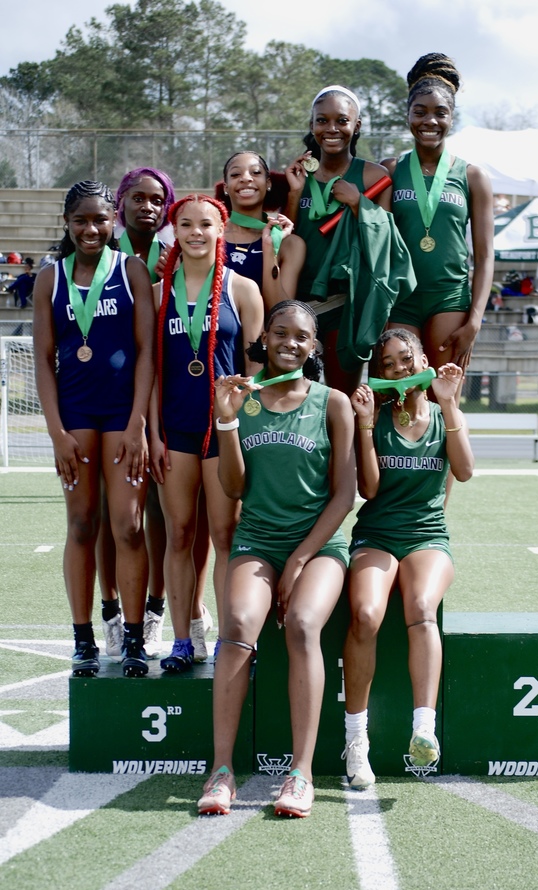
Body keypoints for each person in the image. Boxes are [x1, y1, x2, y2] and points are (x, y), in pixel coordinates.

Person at [197, 300, 355, 818]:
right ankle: (222, 770)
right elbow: (233, 485)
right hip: (259, 538)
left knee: (304, 624)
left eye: (302, 337)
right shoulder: (241, 398)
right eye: (280, 333)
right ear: (264, 338)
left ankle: (300, 772)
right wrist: (225, 422)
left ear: (314, 347)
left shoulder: (332, 402)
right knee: (239, 621)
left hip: (318, 545)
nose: (290, 343)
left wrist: (302, 558)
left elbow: (344, 494)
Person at [32, 180, 155, 678]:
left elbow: (147, 351)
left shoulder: (131, 272)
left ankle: (133, 638)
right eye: (81, 220)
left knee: (128, 525)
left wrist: (139, 424)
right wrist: (56, 432)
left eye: (100, 220)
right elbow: (43, 361)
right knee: (82, 523)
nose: (91, 229)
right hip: (76, 417)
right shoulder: (50, 278)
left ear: (114, 223)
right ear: (67, 222)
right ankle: (83, 639)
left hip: (124, 416)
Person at [341, 328, 474, 788]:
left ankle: (423, 728)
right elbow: (369, 490)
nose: (399, 369)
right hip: (377, 533)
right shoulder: (375, 417)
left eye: (406, 359)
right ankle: (356, 741)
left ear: (423, 361)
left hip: (426, 535)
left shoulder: (443, 413)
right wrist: (362, 422)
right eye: (388, 364)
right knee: (366, 614)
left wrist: (451, 403)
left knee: (420, 609)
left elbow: (465, 470)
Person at [149, 194, 263, 672]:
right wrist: (151, 434)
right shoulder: (158, 294)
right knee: (178, 534)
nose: (196, 233)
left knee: (224, 533)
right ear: (174, 232)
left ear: (222, 230)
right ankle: (181, 641)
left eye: (207, 225)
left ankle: (226, 641)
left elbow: (256, 367)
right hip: (174, 430)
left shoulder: (242, 289)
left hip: (224, 430)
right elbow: (150, 373)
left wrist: (245, 427)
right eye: (187, 225)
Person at [97, 167, 180, 660]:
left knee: (160, 516)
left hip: (163, 392)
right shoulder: (99, 251)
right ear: (121, 203)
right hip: (109, 396)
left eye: (157, 199)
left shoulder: (176, 252)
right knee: (115, 517)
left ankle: (154, 611)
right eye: (137, 198)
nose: (147, 207)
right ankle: (110, 612)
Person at [382, 53, 494, 371]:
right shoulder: (389, 170)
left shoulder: (473, 177)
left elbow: (485, 257)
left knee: (443, 397)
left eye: (440, 113)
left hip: (449, 298)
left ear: (451, 118)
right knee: (398, 395)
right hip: (400, 299)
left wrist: (475, 320)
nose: (430, 121)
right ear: (408, 115)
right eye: (420, 112)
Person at [285, 85, 392, 393]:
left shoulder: (374, 176)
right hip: (300, 303)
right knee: (298, 397)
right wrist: (294, 193)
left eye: (341, 121)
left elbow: (386, 241)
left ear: (356, 126)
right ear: (312, 125)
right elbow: (285, 239)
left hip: (347, 303)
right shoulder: (298, 175)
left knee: (342, 398)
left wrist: (359, 203)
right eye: (322, 120)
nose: (331, 129)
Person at [220, 150, 305, 314]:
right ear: (226, 187)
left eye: (256, 172)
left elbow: (281, 312)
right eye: (236, 174)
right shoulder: (212, 237)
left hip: (263, 338)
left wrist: (270, 249)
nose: (246, 178)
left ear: (268, 183)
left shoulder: (290, 243)